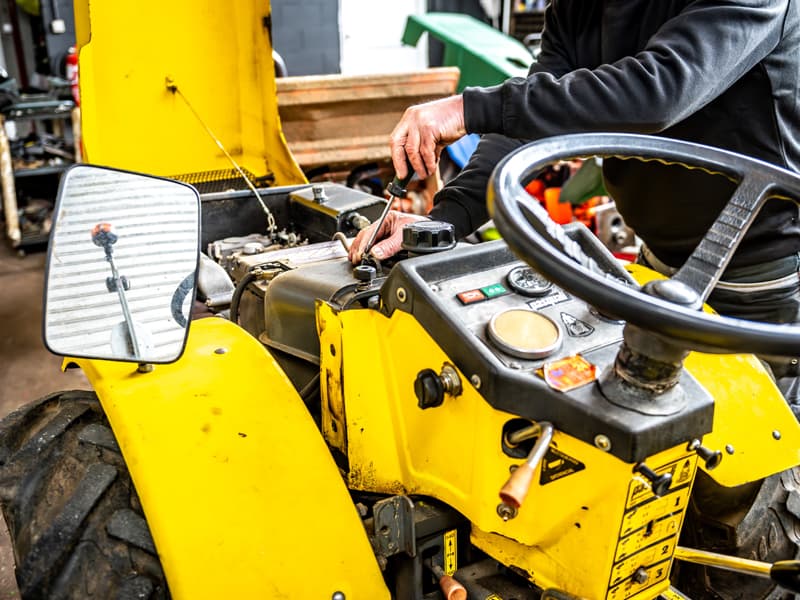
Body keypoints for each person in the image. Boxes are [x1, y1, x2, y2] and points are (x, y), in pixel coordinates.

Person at [348, 0, 800, 399]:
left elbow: (658, 92)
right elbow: (529, 126)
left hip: (758, 282)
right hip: (657, 272)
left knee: (751, 464)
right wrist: (443, 221)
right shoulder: (581, 8)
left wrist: (467, 109)